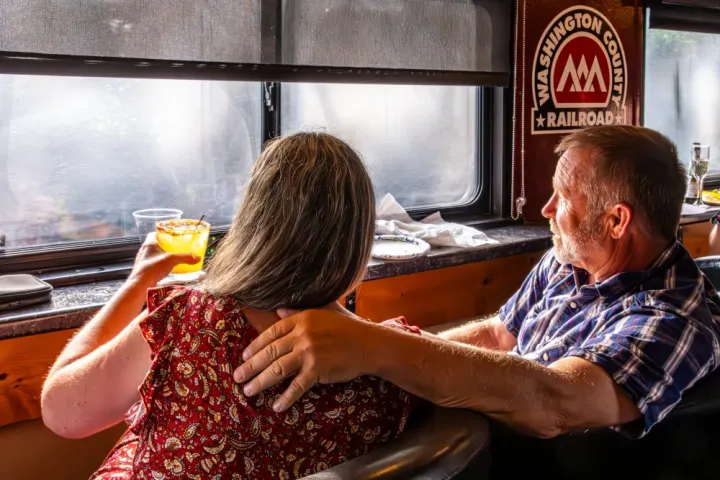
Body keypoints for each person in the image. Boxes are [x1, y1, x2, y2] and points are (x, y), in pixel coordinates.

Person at [234, 125, 720, 473]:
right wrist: (380, 352)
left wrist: (374, 348)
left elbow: (557, 401)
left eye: (561, 197)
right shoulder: (570, 259)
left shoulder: (673, 318)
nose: (545, 209)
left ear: (617, 221)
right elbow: (497, 333)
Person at [41, 132, 421, 479]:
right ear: (357, 251)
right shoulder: (393, 358)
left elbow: (61, 413)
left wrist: (139, 282)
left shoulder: (185, 319)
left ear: (252, 225)